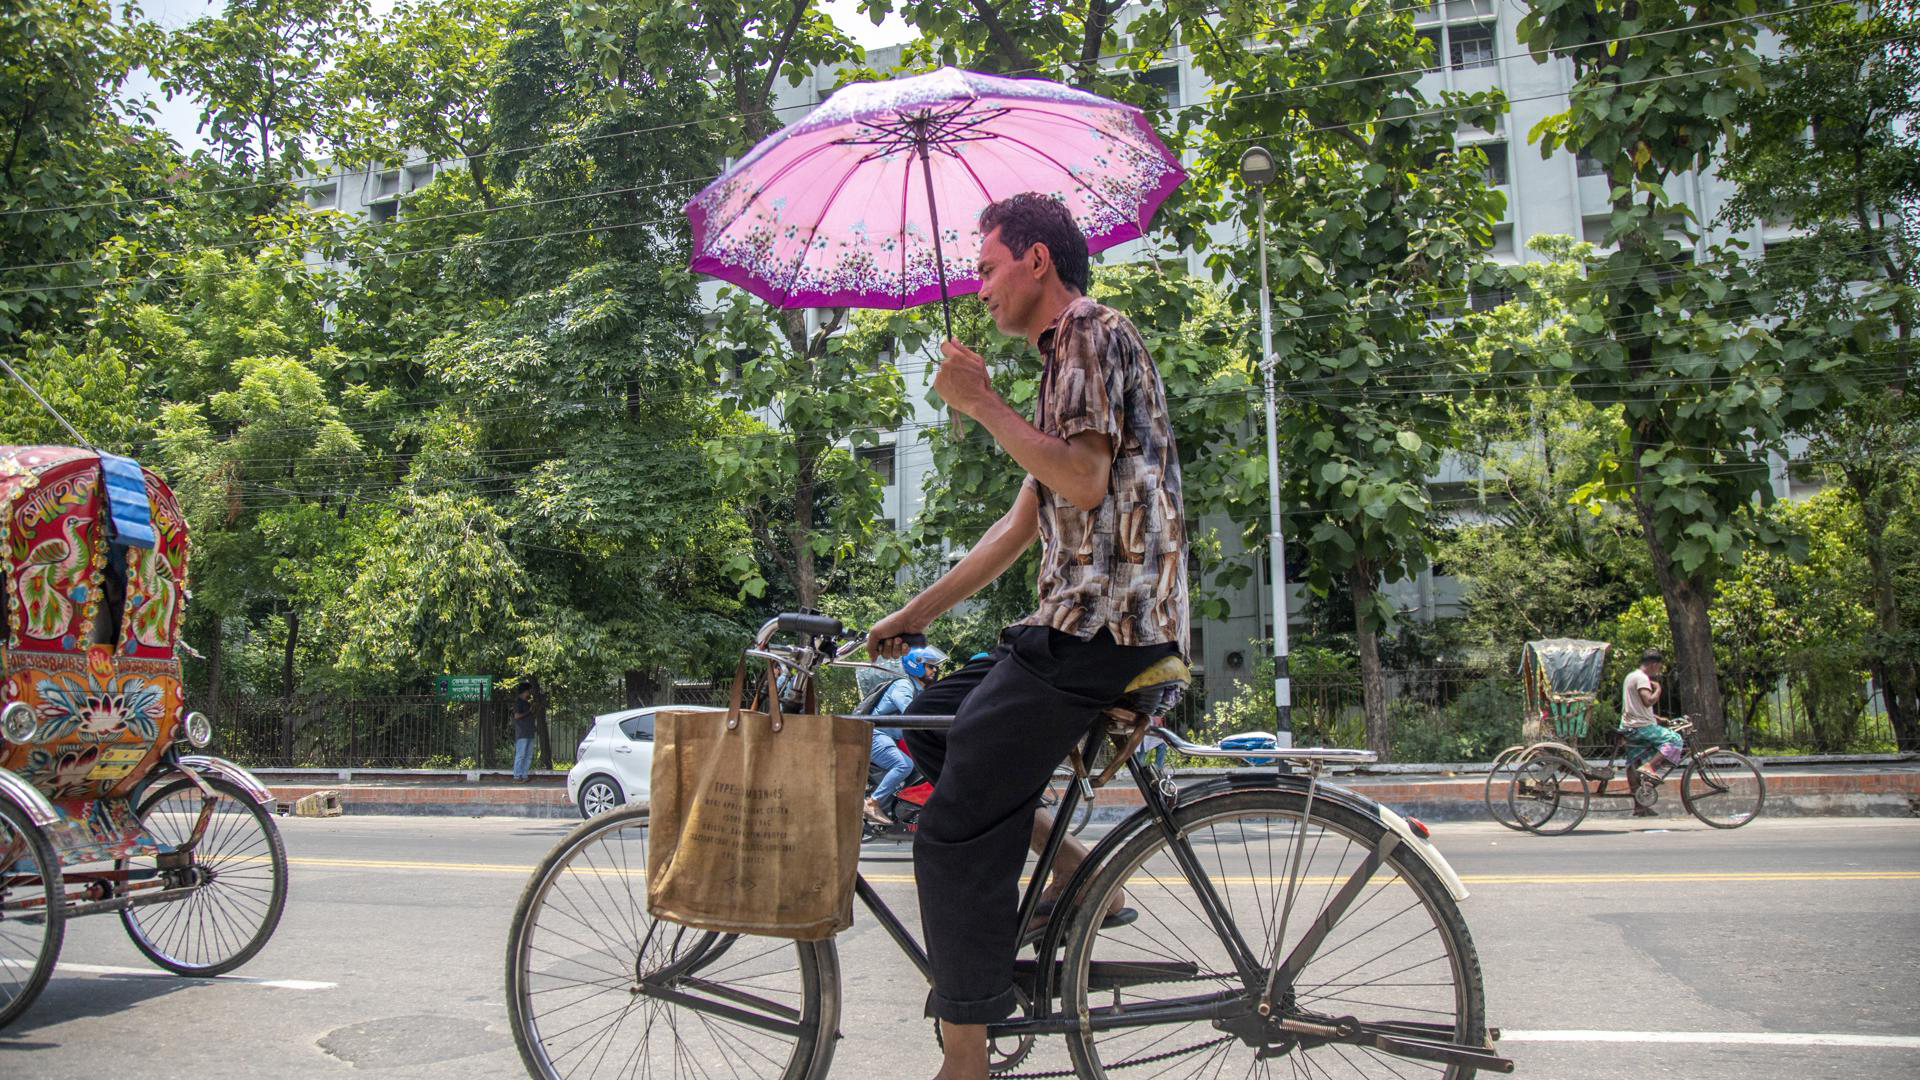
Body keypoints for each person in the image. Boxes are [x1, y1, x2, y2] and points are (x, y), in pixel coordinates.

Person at [865, 193, 1188, 1080]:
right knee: (932, 723)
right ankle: (1081, 874)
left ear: (1036, 260)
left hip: (1102, 629)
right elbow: (1019, 527)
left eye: (987, 268)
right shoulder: (1062, 362)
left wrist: (980, 404)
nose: (979, 289)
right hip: (1074, 626)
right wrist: (915, 614)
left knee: (951, 832)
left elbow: (1082, 481)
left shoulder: (1085, 330)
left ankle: (965, 1055)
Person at [864, 645, 947, 826]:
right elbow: (912, 715)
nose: (934, 670)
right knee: (903, 765)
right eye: (930, 666)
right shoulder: (903, 686)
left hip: (889, 738)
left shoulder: (918, 690)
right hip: (875, 735)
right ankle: (872, 803)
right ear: (916, 665)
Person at [1621, 649, 1682, 815]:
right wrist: (1659, 689)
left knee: (1633, 763)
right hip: (1642, 728)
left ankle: (1639, 806)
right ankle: (1650, 766)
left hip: (1630, 726)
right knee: (1675, 739)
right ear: (1654, 664)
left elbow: (1635, 706)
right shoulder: (1642, 678)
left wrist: (1656, 718)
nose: (1658, 671)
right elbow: (1648, 701)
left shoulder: (1630, 676)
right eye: (1659, 667)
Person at [511, 679, 539, 784]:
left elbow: (530, 715)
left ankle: (524, 775)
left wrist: (533, 709)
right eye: (529, 691)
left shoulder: (527, 703)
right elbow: (517, 716)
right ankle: (517, 776)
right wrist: (529, 711)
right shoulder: (518, 702)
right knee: (521, 755)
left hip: (529, 732)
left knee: (528, 756)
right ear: (525, 691)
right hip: (522, 733)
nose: (530, 693)